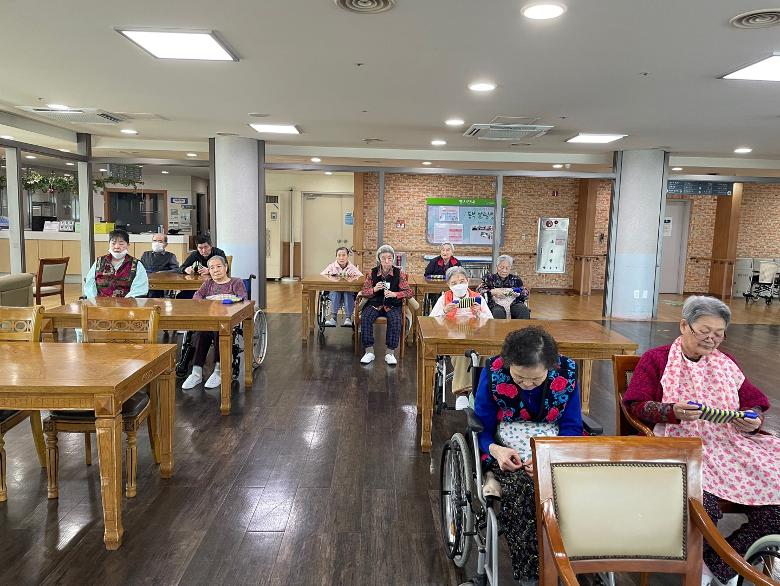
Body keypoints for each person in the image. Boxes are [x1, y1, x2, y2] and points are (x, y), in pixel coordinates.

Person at [623, 295, 780, 586]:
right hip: (679, 446)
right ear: (684, 325)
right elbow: (636, 405)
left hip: (728, 445)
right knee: (701, 504)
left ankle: (718, 565)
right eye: (704, 331)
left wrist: (753, 418)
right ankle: (711, 566)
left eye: (719, 333)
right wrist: (671, 411)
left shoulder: (726, 363)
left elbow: (754, 401)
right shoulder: (657, 359)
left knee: (777, 507)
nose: (712, 339)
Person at [473, 327, 582, 583]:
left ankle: (573, 563)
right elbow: (481, 427)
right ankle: (531, 578)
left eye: (536, 379)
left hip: (555, 449)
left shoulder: (566, 373)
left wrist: (550, 456)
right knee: (525, 489)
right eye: (519, 377)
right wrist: (496, 450)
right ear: (508, 364)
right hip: (506, 452)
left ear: (550, 368)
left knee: (576, 487)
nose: (527, 384)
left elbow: (572, 426)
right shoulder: (495, 372)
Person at [430, 265, 492, 408]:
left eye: (462, 281)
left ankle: (481, 392)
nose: (459, 285)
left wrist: (478, 313)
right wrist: (444, 311)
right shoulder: (445, 298)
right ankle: (462, 393)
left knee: (487, 353)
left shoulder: (477, 298)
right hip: (453, 335)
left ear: (467, 281)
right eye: (454, 283)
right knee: (464, 352)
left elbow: (491, 321)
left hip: (476, 334)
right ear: (448, 285)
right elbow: (430, 321)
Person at [181, 256, 248, 389]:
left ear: (226, 267)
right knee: (200, 333)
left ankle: (218, 371)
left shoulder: (236, 282)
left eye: (218, 266)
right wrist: (206, 301)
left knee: (219, 331)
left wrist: (229, 300)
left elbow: (243, 299)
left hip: (227, 321)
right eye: (212, 268)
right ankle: (196, 372)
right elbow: (197, 297)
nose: (215, 270)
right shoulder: (208, 283)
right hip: (210, 319)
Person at [359, 244, 414, 365]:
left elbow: (409, 292)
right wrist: (374, 289)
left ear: (393, 259)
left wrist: (395, 294)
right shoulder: (372, 273)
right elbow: (364, 291)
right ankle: (369, 352)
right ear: (379, 259)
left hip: (392, 305)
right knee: (365, 317)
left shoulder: (399, 274)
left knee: (396, 319)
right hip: (375, 304)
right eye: (383, 258)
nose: (387, 261)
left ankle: (390, 353)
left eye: (389, 258)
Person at [83, 228, 148, 298]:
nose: (117, 247)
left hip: (127, 303)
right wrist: (94, 301)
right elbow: (89, 285)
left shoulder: (136, 264)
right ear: (109, 244)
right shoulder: (99, 262)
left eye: (121, 244)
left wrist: (125, 302)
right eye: (113, 243)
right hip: (100, 303)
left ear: (128, 245)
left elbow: (139, 289)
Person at [320, 246, 363, 327]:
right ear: (336, 256)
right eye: (339, 255)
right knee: (336, 292)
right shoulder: (331, 266)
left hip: (348, 292)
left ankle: (348, 318)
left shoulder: (352, 267)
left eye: (343, 255)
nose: (341, 258)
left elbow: (361, 278)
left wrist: (355, 277)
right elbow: (322, 276)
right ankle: (333, 318)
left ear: (347, 256)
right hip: (334, 292)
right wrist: (329, 275)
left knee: (347, 293)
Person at [478, 254, 531, 319]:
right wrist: (492, 292)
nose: (504, 271)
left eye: (507, 268)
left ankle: (522, 326)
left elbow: (525, 293)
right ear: (497, 267)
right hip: (495, 304)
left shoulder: (516, 279)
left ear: (510, 268)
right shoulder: (489, 278)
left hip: (514, 303)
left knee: (523, 310)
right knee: (498, 312)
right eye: (502, 267)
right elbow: (480, 290)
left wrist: (518, 292)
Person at [178, 235, 227, 299]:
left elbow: (226, 269)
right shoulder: (195, 254)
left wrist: (209, 270)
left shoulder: (219, 253)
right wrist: (186, 269)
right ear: (197, 248)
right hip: (198, 285)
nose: (203, 250)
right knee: (180, 296)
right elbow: (180, 268)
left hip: (215, 285)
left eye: (206, 247)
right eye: (200, 248)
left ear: (211, 246)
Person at [140, 233, 179, 298]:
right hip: (146, 282)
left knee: (154, 293)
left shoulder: (170, 256)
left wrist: (161, 273)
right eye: (154, 241)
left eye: (160, 241)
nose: (156, 243)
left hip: (161, 284)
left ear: (165, 244)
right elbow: (140, 268)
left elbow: (176, 270)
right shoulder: (146, 254)